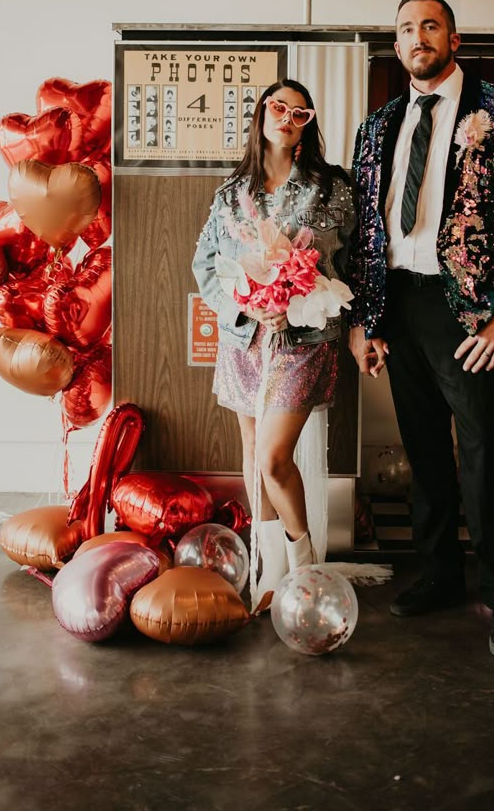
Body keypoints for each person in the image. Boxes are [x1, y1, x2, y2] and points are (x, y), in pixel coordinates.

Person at [348, 0, 494, 658]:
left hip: (462, 310)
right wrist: (364, 319)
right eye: (406, 28)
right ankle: (438, 573)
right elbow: (362, 230)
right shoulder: (379, 126)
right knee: (423, 449)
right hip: (397, 304)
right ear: (397, 44)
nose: (417, 36)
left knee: (482, 457)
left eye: (430, 25)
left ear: (453, 39)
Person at [193, 79, 356, 610]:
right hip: (244, 340)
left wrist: (306, 297)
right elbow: (207, 267)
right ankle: (268, 577)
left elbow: (353, 264)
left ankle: (306, 571)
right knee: (252, 456)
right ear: (262, 114)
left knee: (273, 457)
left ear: (307, 126)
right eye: (278, 106)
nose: (287, 116)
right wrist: (246, 304)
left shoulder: (333, 188)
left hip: (305, 340)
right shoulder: (229, 192)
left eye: (300, 113)